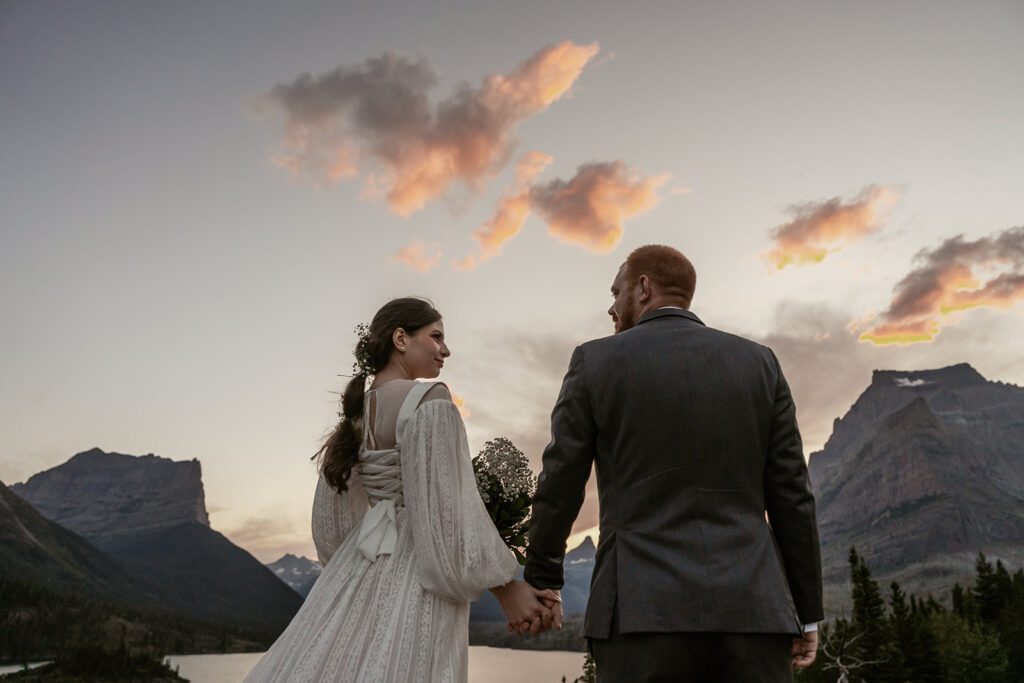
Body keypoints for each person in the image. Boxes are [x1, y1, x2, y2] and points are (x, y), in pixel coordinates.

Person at [523, 245, 824, 682]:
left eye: (617, 290)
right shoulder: (760, 363)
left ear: (643, 288)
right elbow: (792, 495)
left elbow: (561, 481)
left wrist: (542, 576)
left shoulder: (595, 362)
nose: (611, 306)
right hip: (754, 614)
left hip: (640, 615)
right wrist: (806, 610)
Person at [244, 297, 556, 683]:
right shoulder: (430, 399)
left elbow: (330, 526)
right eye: (436, 336)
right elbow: (448, 509)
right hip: (416, 564)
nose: (446, 350)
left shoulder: (357, 415)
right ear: (400, 339)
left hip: (362, 559)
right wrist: (507, 586)